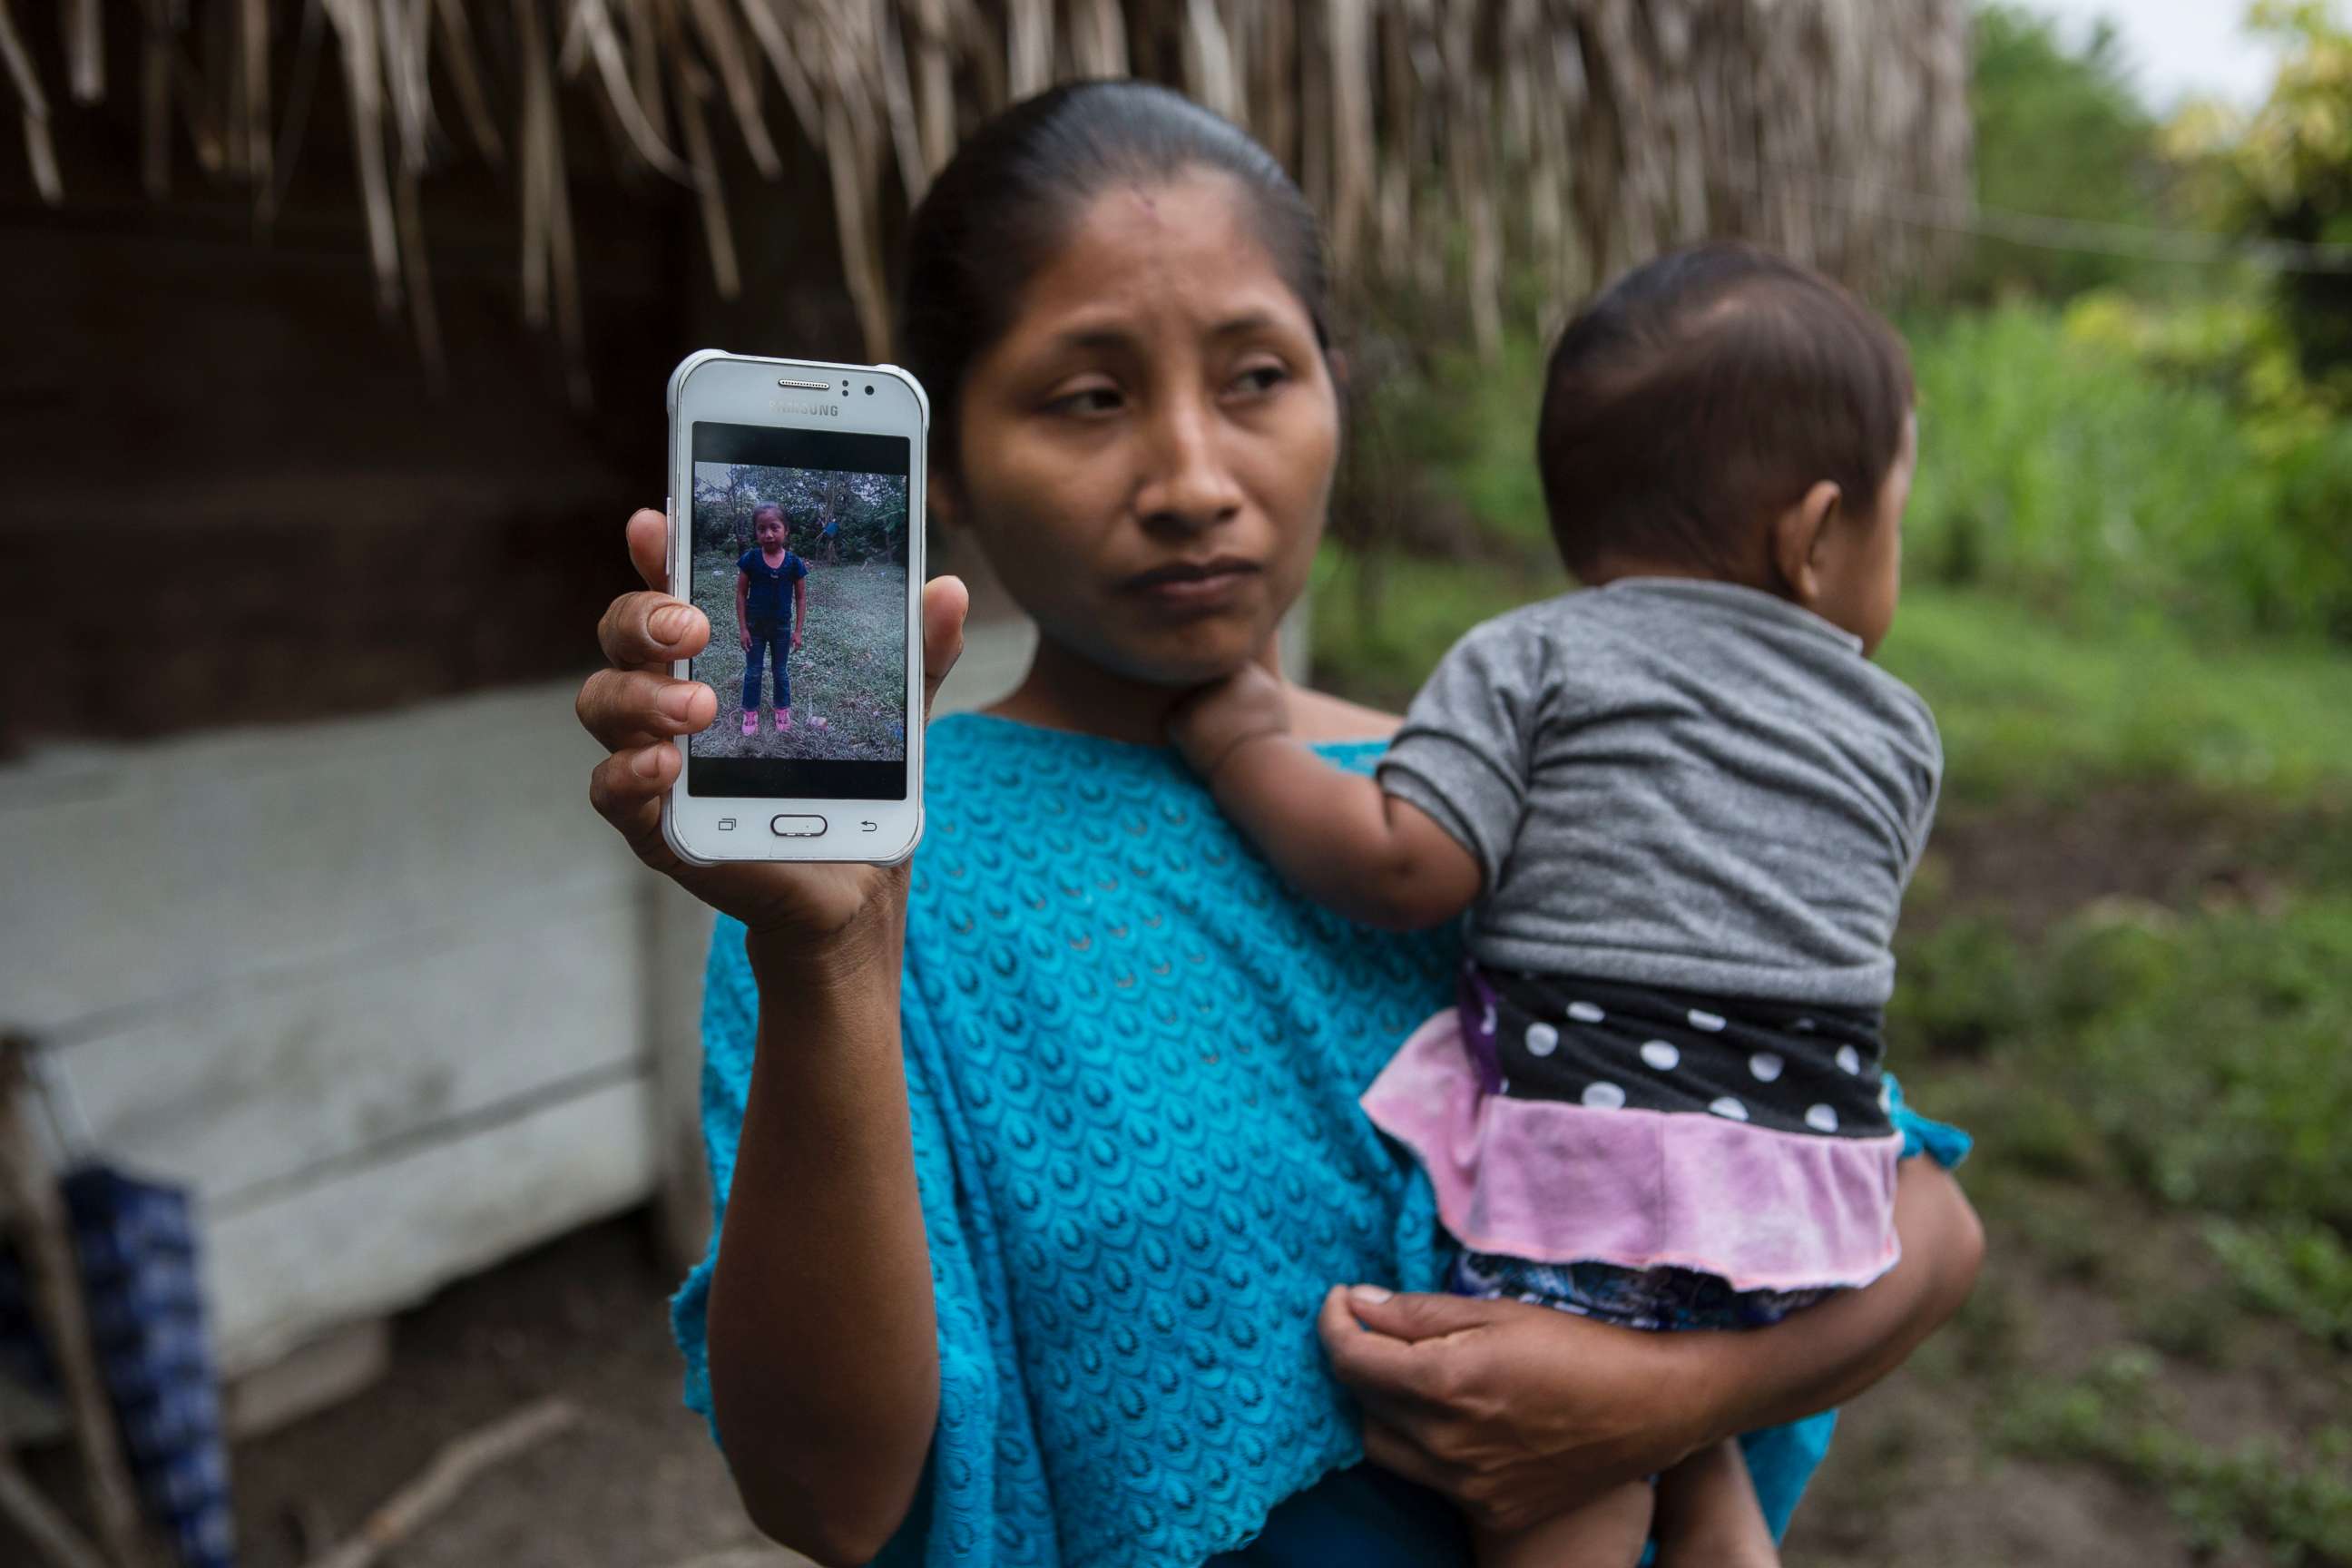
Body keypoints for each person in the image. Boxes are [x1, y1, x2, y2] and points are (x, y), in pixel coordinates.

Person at [575, 82, 1984, 1568]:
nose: (1193, 480)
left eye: (1255, 376)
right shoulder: (871, 887)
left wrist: (1657, 1400)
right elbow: (826, 1494)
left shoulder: (1490, 795)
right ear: (951, 469)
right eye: (1087, 396)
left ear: (1333, 390)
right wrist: (836, 958)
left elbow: (1923, 1217)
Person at [1167, 243, 1952, 1568]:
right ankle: (1713, 1509)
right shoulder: (1900, 733)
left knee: (1567, 1503)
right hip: (1808, 1208)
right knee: (1699, 1448)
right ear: (1816, 537)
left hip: (1595, 1189)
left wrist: (1243, 743)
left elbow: (1411, 866)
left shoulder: (1533, 653)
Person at [734, 503, 808, 736]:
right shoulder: (750, 559)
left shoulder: (794, 563)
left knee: (780, 670)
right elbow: (740, 594)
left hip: (781, 628)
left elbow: (801, 598)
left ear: (785, 530)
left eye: (774, 528)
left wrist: (797, 631)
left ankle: (782, 709)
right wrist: (743, 628)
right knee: (753, 670)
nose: (768, 534)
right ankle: (750, 712)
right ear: (756, 532)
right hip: (754, 628)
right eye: (761, 528)